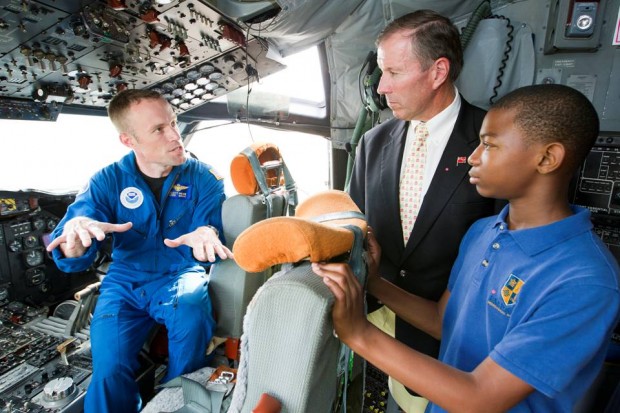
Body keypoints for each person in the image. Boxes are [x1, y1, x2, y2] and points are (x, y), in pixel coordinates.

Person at [314, 83, 620, 412]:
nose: (472, 157)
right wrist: (374, 283)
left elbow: (481, 397)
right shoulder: (484, 231)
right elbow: (444, 319)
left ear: (546, 158)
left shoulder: (584, 281)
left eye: (488, 145)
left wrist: (358, 333)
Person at [347, 9, 501, 410]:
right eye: (381, 72)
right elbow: (356, 222)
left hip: (451, 338)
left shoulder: (497, 143)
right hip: (377, 316)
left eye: (394, 73)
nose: (382, 87)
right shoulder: (372, 143)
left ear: (437, 72)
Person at [46, 89, 234, 413]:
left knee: (191, 326)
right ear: (128, 141)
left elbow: (210, 227)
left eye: (174, 122)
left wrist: (207, 233)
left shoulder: (204, 178)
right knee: (107, 373)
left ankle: (175, 404)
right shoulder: (107, 181)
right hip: (124, 282)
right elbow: (77, 227)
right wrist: (74, 244)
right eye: (159, 129)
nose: (176, 135)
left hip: (180, 275)